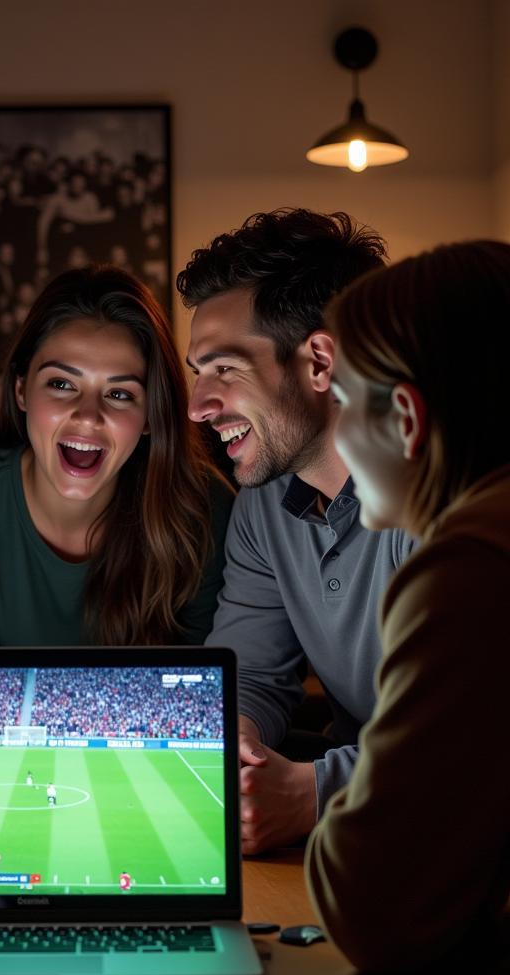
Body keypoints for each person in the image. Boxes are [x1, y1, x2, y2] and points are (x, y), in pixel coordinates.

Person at [306, 240, 510, 974]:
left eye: (340, 401)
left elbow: (374, 911)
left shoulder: (480, 562)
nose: (334, 433)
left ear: (407, 418)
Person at [177, 209, 415, 855]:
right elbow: (251, 671)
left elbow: (489, 734)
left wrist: (313, 792)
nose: (198, 404)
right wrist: (239, 746)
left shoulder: (443, 490)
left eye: (224, 368)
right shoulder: (263, 501)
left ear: (319, 361)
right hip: (369, 836)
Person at [0, 265, 233, 646]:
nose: (88, 416)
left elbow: (209, 691)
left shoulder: (202, 511)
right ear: (22, 391)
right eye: (61, 384)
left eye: (120, 394)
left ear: (150, 417)